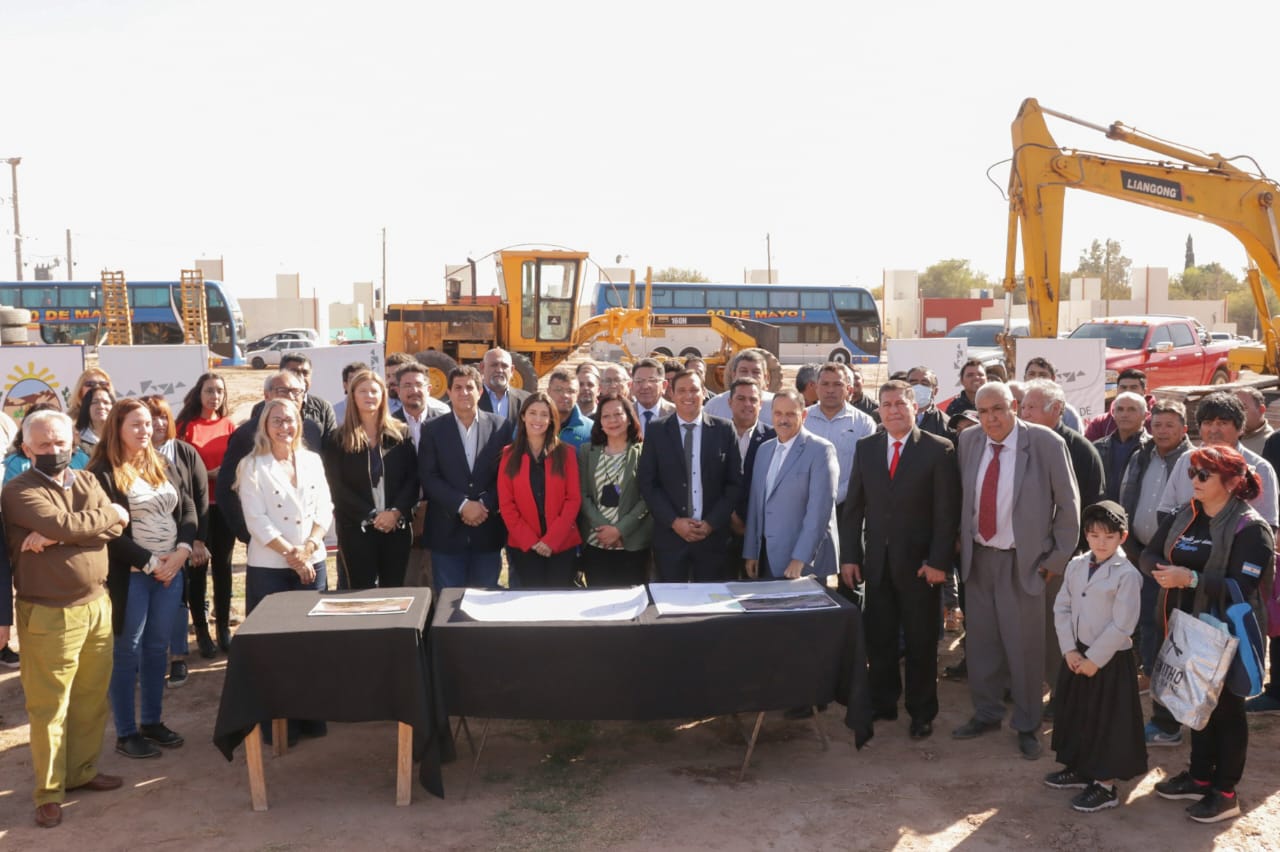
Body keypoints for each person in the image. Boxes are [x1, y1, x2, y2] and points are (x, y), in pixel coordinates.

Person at [1, 410, 128, 828]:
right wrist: (92, 520)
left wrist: (61, 535)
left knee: (91, 699)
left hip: (97, 606)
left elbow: (115, 524)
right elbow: (80, 521)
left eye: (60, 443)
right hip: (49, 615)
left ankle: (82, 772)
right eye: (43, 445)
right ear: (26, 449)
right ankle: (49, 791)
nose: (53, 451)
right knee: (49, 707)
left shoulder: (87, 478)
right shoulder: (18, 490)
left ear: (72, 442)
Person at [1145, 446, 1273, 823]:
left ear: (1232, 482)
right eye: (1193, 472)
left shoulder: (1251, 528)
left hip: (1228, 632)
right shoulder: (1188, 513)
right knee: (1195, 702)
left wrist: (1191, 578)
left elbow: (1243, 584)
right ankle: (1200, 777)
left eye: (1204, 474)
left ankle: (1226, 792)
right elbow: (1149, 553)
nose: (1194, 480)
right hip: (1186, 625)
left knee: (1227, 711)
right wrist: (1162, 570)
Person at [952, 382, 1080, 761]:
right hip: (979, 559)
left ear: (1014, 406)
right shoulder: (969, 441)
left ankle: (1027, 724)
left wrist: (1054, 562)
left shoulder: (1045, 443)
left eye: (998, 409)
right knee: (982, 644)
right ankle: (987, 713)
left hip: (1024, 562)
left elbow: (1069, 508)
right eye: (983, 411)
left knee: (1025, 647)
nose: (991, 418)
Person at [841, 379, 960, 740]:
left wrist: (938, 561)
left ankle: (922, 711)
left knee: (922, 643)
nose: (893, 410)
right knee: (880, 640)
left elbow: (946, 514)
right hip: (877, 564)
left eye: (900, 404)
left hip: (921, 567)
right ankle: (883, 702)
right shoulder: (867, 448)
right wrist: (850, 557)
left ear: (915, 408)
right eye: (886, 404)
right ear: (878, 409)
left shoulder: (939, 450)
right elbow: (854, 509)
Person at [89, 398, 197, 760]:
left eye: (148, 424)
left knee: (156, 650)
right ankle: (126, 733)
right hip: (133, 577)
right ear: (116, 429)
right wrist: (151, 563)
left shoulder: (162, 462)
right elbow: (108, 532)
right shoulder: (102, 472)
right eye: (135, 424)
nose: (145, 431)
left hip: (170, 574)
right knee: (126, 653)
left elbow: (188, 507)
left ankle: (152, 722)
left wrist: (181, 551)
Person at [235, 397, 333, 747]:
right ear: (265, 425)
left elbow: (325, 507)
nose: (284, 426)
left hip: (312, 562)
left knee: (310, 644)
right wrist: (293, 555)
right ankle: (275, 723)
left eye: (289, 420)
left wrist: (309, 548)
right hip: (272, 568)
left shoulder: (312, 460)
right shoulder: (251, 466)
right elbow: (256, 521)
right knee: (273, 648)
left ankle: (310, 716)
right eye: (276, 420)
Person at [1045, 501, 1147, 813]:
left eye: (1108, 536)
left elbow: (1123, 624)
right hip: (1077, 653)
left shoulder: (1127, 575)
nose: (1100, 543)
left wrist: (1094, 660)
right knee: (1076, 713)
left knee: (1107, 721)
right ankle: (1079, 768)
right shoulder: (1076, 565)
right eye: (1094, 535)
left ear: (1122, 536)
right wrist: (1069, 650)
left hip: (1109, 661)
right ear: (1085, 536)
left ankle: (1104, 785)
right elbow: (1062, 607)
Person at [1118, 400, 1192, 698]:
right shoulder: (1142, 456)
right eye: (1157, 425)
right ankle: (1149, 672)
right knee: (1144, 616)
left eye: (1169, 425)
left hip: (1172, 557)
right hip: (1138, 551)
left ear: (1184, 429)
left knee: (1167, 618)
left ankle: (1169, 677)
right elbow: (1126, 496)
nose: (1161, 431)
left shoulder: (1191, 461)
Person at [638, 369, 741, 582]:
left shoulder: (724, 429)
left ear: (704, 392)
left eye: (694, 390)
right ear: (672, 395)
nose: (688, 396)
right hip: (670, 539)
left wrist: (711, 523)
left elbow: (734, 484)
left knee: (710, 606)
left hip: (713, 539)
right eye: (682, 390)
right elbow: (648, 484)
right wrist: (674, 522)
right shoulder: (657, 431)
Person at [420, 366, 513, 590]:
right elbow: (429, 476)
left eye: (469, 387)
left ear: (480, 392)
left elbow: (506, 476)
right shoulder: (432, 429)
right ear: (449, 393)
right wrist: (462, 505)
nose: (464, 393)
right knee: (448, 604)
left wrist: (483, 504)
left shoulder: (501, 427)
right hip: (446, 533)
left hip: (487, 529)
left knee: (485, 600)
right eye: (458, 388)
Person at [323, 370, 418, 589]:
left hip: (396, 528)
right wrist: (372, 516)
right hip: (357, 529)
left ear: (383, 395)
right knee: (361, 590)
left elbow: (412, 479)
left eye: (374, 391)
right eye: (363, 391)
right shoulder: (339, 439)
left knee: (394, 589)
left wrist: (395, 512)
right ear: (352, 395)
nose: (369, 396)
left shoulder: (400, 433)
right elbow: (336, 486)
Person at [141, 394, 209, 689]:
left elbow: (200, 499)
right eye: (149, 417)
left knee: (179, 601)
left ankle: (178, 658)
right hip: (144, 547)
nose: (156, 423)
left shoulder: (185, 451)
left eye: (161, 416)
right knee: (146, 602)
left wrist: (195, 541)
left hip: (181, 543)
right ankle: (148, 661)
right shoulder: (131, 456)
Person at [744, 389, 839, 582]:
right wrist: (752, 551)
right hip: (767, 559)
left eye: (790, 414)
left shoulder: (821, 450)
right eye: (778, 413)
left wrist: (800, 558)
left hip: (802, 565)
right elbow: (756, 504)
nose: (783, 420)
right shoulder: (764, 450)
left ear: (803, 415)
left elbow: (819, 512)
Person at [174, 372, 237, 655]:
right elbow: (176, 467)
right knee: (196, 570)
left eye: (220, 391)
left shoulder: (229, 426)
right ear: (199, 393)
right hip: (195, 507)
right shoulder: (185, 426)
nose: (215, 396)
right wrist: (205, 475)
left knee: (223, 568)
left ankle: (223, 627)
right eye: (210, 390)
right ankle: (201, 631)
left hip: (223, 506)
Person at [1157, 391, 1279, 528]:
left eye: (1223, 423)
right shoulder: (1186, 460)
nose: (1214, 430)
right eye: (1208, 423)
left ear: (1240, 429)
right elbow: (1165, 511)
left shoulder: (1259, 468)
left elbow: (1269, 525)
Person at [498, 393, 582, 587]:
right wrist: (531, 541)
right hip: (525, 547)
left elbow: (573, 500)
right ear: (523, 416)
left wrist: (551, 541)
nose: (538, 419)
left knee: (559, 603)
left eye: (544, 414)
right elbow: (506, 503)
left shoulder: (566, 453)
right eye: (532, 413)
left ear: (551, 419)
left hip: (561, 545)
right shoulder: (508, 455)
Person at [577, 393, 652, 587]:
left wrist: (619, 530)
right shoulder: (587, 451)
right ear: (599, 422)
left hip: (632, 544)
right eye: (606, 416)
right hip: (596, 541)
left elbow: (647, 498)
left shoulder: (644, 451)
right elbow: (583, 495)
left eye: (618, 414)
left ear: (629, 418)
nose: (612, 421)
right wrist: (605, 530)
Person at [805, 363, 877, 514]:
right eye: (825, 384)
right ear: (816, 388)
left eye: (837, 384)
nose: (830, 390)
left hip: (847, 508)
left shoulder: (864, 423)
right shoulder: (801, 419)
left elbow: (863, 469)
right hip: (804, 506)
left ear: (849, 389)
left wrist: (833, 498)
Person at [727, 377, 774, 578]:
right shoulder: (715, 434)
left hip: (761, 534)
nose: (747, 404)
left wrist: (752, 523)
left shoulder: (774, 438)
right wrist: (730, 516)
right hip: (721, 530)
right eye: (741, 398)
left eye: (753, 399)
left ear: (761, 404)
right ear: (730, 402)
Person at [1092, 391, 1149, 503]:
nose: (1124, 414)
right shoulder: (1098, 448)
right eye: (1120, 409)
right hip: (1103, 516)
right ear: (1113, 413)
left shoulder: (1153, 449)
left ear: (1145, 415)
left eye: (1131, 409)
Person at [279, 352, 339, 443]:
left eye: (305, 373)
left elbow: (332, 445)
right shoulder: (263, 408)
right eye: (294, 372)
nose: (301, 377)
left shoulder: (323, 407)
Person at [705, 349, 774, 425]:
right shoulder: (715, 406)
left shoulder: (776, 405)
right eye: (743, 371)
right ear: (734, 375)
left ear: (765, 377)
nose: (749, 376)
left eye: (756, 372)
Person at [1083, 369, 1153, 440]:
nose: (1127, 391)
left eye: (1133, 387)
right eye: (1123, 387)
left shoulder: (1157, 420)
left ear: (1144, 391)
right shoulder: (1100, 423)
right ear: (1117, 390)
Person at [1022, 357, 1083, 432]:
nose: (1036, 378)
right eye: (1032, 374)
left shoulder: (1068, 414)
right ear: (1024, 378)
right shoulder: (1012, 408)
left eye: (1042, 375)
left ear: (1053, 379)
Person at [477, 347, 529, 426]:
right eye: (494, 365)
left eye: (504, 366)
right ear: (482, 367)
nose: (499, 370)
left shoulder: (526, 400)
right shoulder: (470, 399)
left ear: (512, 370)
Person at [547, 368, 593, 448]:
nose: (565, 395)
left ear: (578, 394)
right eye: (558, 390)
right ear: (548, 392)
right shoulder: (534, 424)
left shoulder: (591, 429)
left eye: (571, 391)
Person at [630, 357, 675, 436]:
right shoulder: (625, 414)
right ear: (632, 385)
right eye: (639, 381)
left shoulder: (676, 414)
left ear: (664, 386)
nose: (645, 386)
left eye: (652, 380)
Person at [905, 366, 953, 440]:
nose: (918, 387)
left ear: (935, 391)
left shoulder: (945, 424)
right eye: (913, 383)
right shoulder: (893, 417)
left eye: (924, 383)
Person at [1235, 386, 1273, 455]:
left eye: (1243, 408)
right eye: (1234, 408)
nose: (1237, 413)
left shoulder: (1272, 443)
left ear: (1261, 409)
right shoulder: (1224, 436)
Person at [75, 385, 114, 449]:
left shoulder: (122, 437)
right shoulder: (77, 440)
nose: (101, 406)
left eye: (106, 402)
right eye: (95, 402)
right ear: (86, 407)